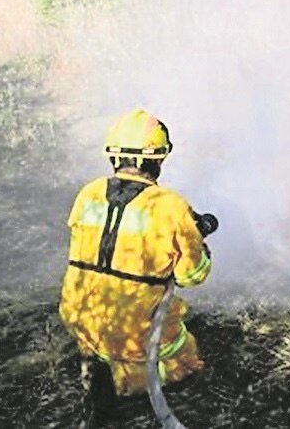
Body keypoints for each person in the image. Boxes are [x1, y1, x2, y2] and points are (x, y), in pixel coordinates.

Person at [59, 109, 215, 426]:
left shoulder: (88, 193)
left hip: (79, 320)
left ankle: (98, 363)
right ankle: (126, 380)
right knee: (185, 354)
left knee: (101, 342)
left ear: (114, 157)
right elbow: (191, 275)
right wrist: (199, 244)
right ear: (158, 159)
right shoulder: (171, 206)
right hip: (136, 332)